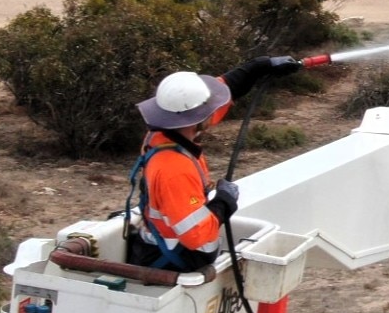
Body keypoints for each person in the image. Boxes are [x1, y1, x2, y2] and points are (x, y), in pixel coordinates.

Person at [127, 56, 302, 271]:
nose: (214, 110)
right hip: (175, 261)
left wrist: (260, 66)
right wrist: (224, 201)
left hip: (161, 247)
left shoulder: (164, 134)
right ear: (198, 119)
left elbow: (225, 89)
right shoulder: (175, 170)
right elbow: (197, 235)